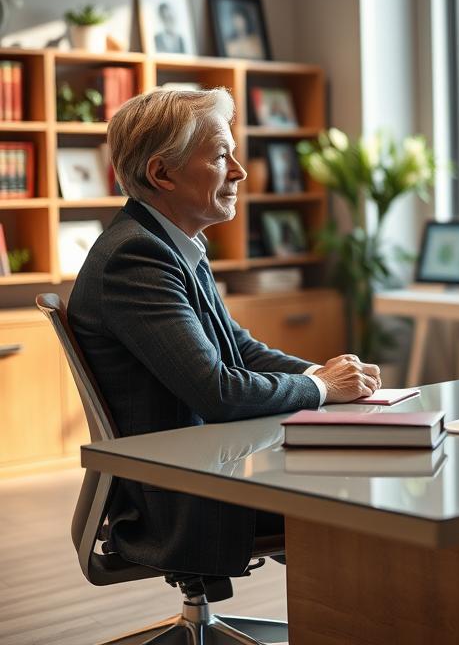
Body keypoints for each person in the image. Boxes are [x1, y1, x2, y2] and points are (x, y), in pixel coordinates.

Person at [69, 87, 381, 578]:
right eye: (220, 156)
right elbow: (217, 390)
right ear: (162, 174)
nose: (239, 171)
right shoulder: (137, 258)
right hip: (183, 501)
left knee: (362, 469)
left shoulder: (173, 243)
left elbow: (239, 349)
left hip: (208, 472)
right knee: (364, 488)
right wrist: (323, 388)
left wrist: (322, 375)